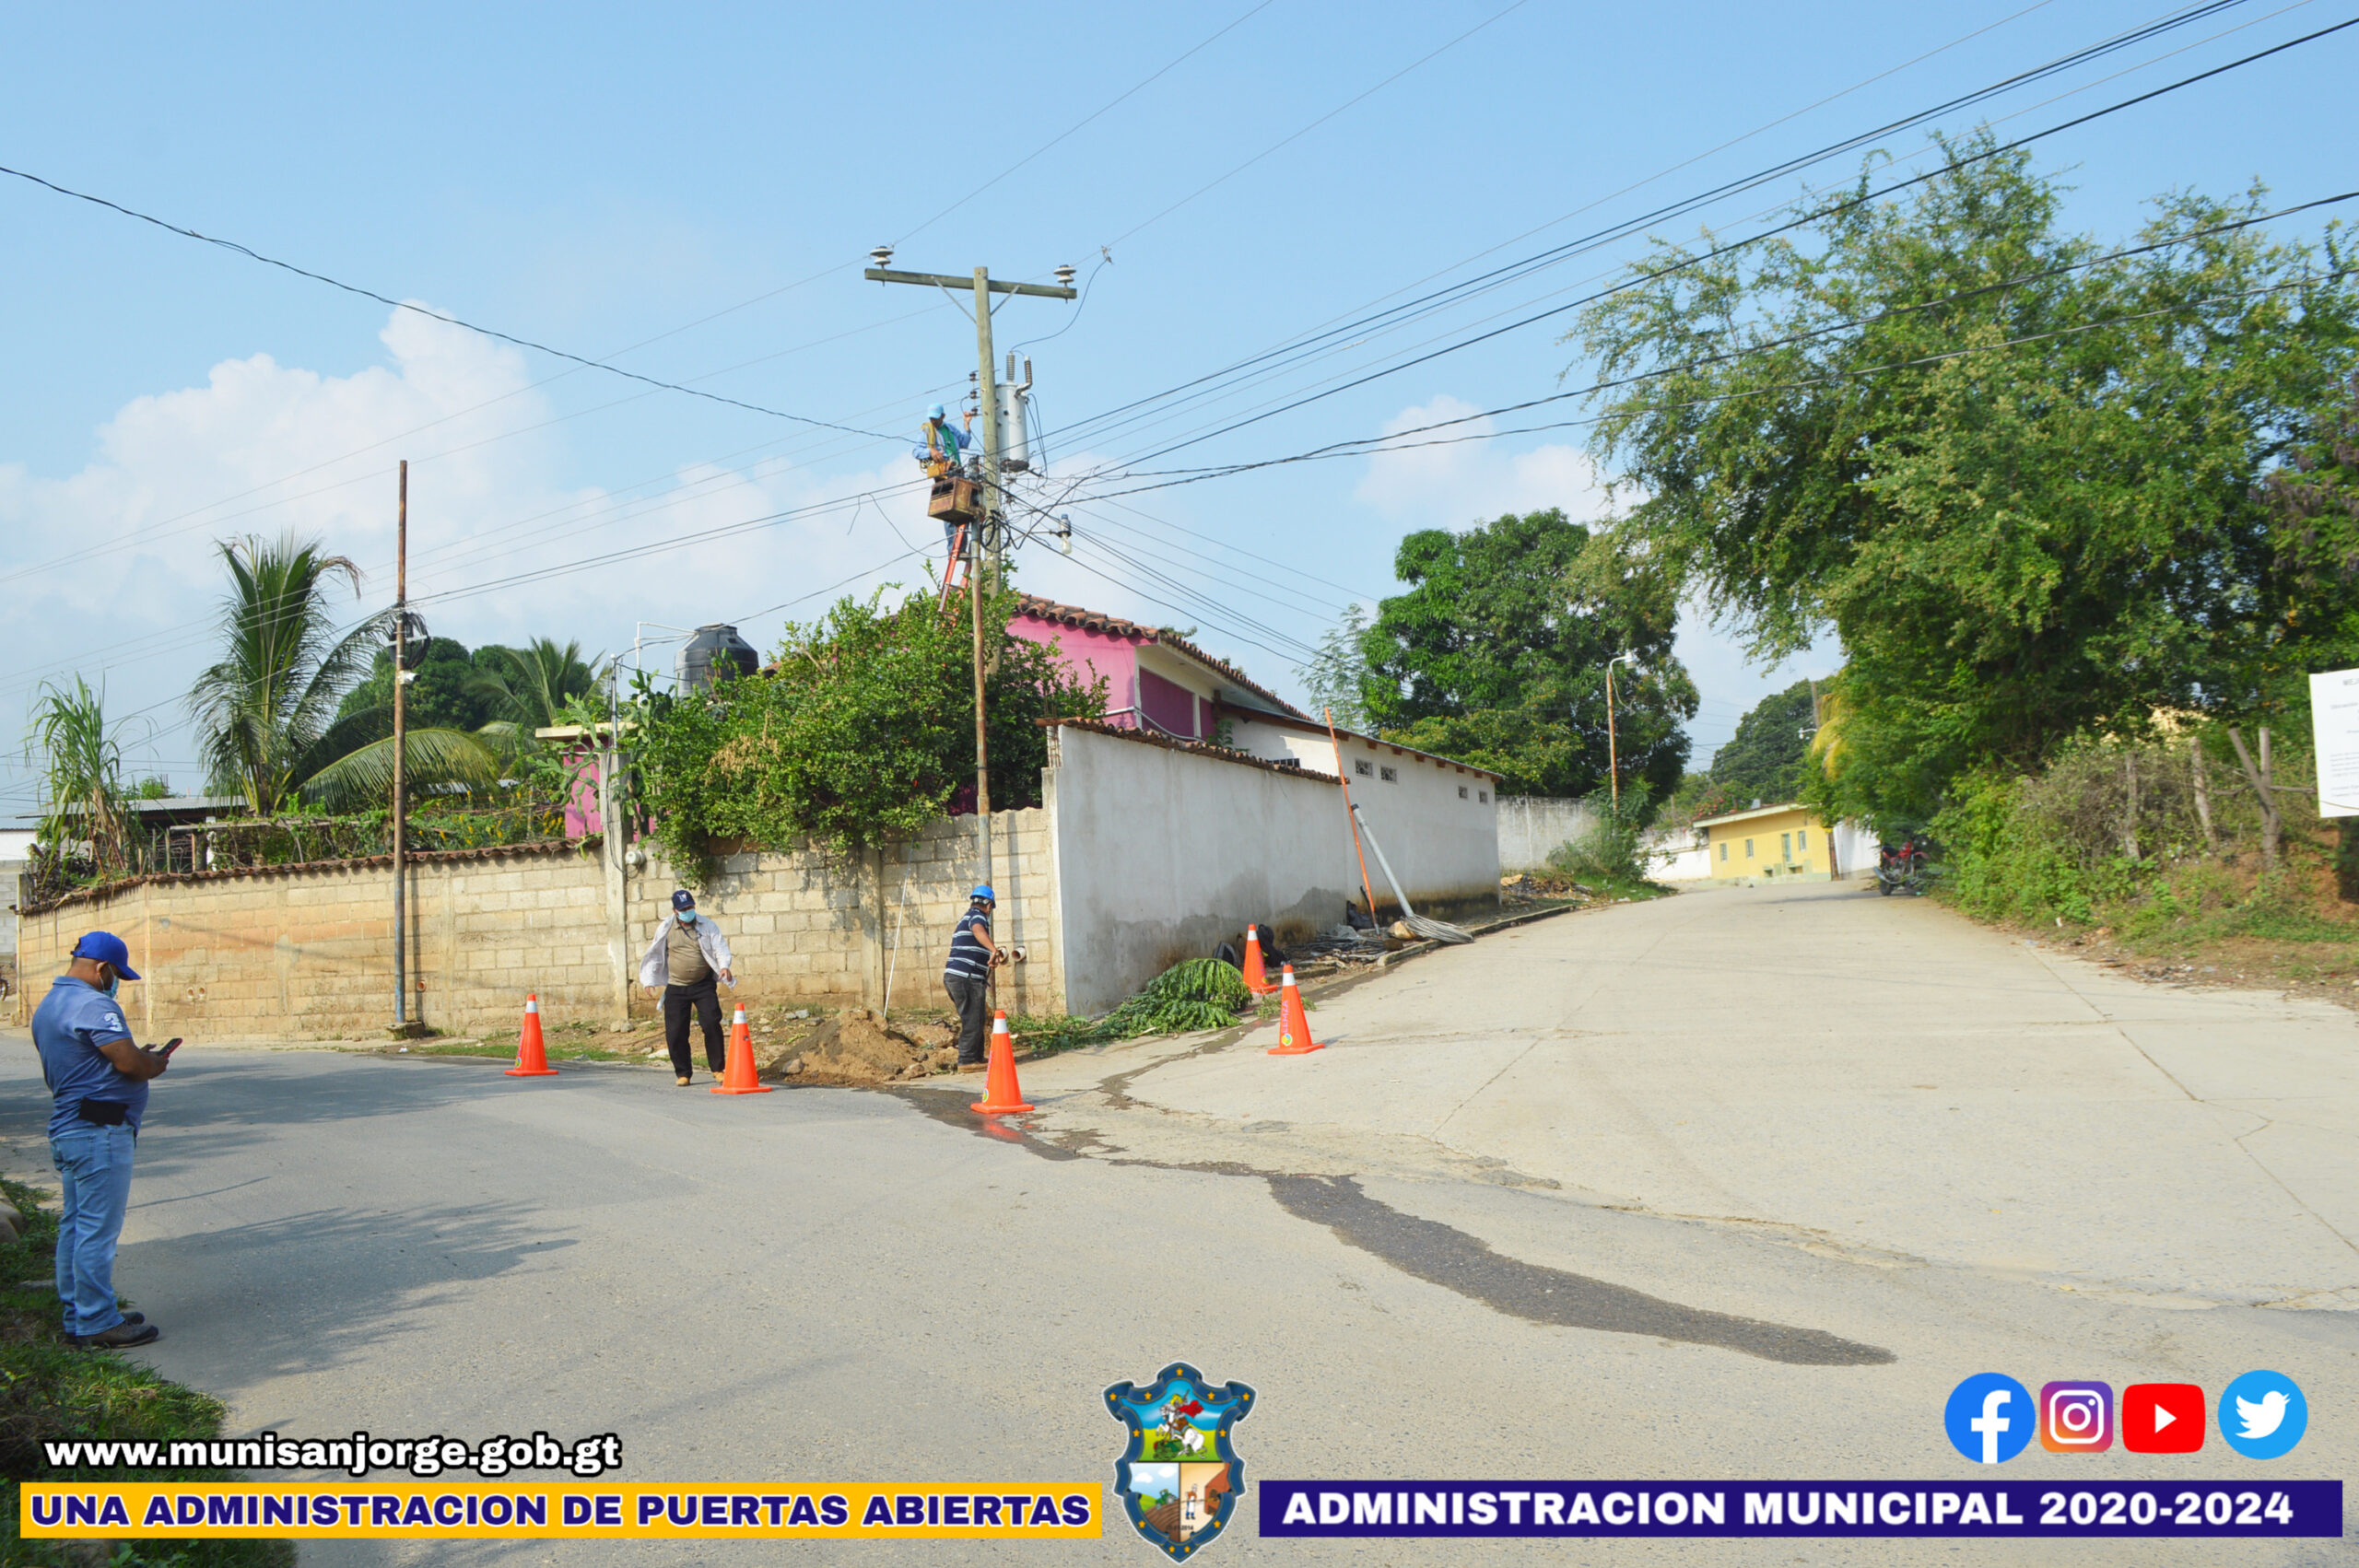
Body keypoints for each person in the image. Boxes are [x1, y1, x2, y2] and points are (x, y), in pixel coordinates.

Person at [32, 931, 168, 1350]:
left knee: (76, 1226)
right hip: (99, 1134)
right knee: (97, 1231)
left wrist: (135, 1057)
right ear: (102, 969)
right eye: (116, 976)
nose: (115, 985)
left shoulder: (51, 1003)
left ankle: (81, 1314)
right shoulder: (94, 1004)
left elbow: (91, 1062)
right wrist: (153, 1062)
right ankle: (97, 1321)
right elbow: (128, 1063)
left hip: (73, 1129)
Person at [638, 890, 734, 1086]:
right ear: (675, 911)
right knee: (675, 1032)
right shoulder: (666, 928)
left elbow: (720, 947)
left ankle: (718, 1069)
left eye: (690, 907)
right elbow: (655, 955)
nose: (687, 911)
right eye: (683, 909)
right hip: (676, 986)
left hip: (703, 985)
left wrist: (724, 966)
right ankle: (683, 1073)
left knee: (711, 1024)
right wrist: (649, 980)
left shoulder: (707, 925)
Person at [942, 883, 1003, 1071]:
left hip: (962, 977)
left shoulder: (967, 916)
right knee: (972, 1018)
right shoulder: (977, 917)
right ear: (989, 906)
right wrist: (994, 950)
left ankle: (976, 1057)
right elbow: (978, 930)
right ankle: (967, 1060)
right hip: (964, 978)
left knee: (977, 1017)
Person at [913, 403, 980, 558]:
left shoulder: (950, 429)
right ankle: (954, 550)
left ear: (943, 416)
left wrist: (966, 424)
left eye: (936, 418)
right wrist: (930, 451)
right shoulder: (927, 431)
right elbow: (916, 451)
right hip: (943, 474)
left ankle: (962, 547)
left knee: (964, 509)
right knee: (949, 510)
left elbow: (964, 442)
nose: (933, 421)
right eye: (931, 418)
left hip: (957, 471)